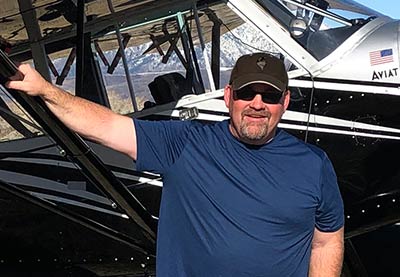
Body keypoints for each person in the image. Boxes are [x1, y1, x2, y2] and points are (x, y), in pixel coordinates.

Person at [6, 52, 344, 276]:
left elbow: (327, 240)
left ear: (284, 102)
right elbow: (106, 126)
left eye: (269, 96)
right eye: (246, 94)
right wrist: (45, 90)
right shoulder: (184, 143)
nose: (257, 104)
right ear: (229, 97)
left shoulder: (314, 165)